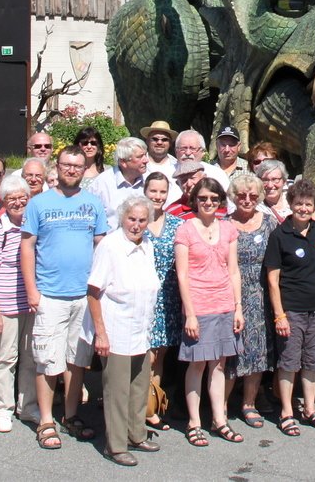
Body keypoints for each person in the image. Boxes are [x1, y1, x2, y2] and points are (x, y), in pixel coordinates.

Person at [21, 145, 109, 449]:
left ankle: (71, 415)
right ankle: (46, 420)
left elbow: (101, 247)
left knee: (76, 361)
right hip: (50, 295)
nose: (71, 170)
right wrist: (32, 290)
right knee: (47, 359)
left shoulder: (93, 203)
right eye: (66, 165)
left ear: (85, 170)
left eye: (77, 166)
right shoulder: (39, 204)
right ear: (56, 168)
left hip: (83, 297)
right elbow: (27, 247)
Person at [85, 196, 163, 466]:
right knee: (117, 392)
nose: (137, 224)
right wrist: (101, 333)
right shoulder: (110, 246)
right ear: (122, 218)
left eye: (142, 220)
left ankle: (136, 435)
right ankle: (115, 445)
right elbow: (93, 292)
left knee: (139, 387)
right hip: (116, 330)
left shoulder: (147, 245)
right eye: (132, 219)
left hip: (141, 330)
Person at [264, 179, 315, 436]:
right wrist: (279, 316)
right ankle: (286, 411)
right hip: (292, 309)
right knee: (289, 361)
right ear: (291, 204)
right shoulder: (279, 235)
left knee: (313, 360)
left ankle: (309, 408)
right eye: (299, 204)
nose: (304, 209)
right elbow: (273, 280)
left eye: (308, 204)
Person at [175, 177, 244, 447]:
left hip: (225, 303)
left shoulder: (228, 229)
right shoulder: (186, 230)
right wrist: (190, 313)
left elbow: (234, 270)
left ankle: (219, 419)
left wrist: (238, 308)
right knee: (198, 364)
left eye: (214, 199)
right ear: (195, 200)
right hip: (199, 305)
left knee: (219, 364)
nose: (208, 203)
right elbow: (182, 275)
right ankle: (194, 422)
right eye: (203, 198)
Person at [0, 177, 38, 432]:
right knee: (5, 358)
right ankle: (2, 409)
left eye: (22, 197)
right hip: (5, 306)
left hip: (30, 304)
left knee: (30, 358)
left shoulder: (33, 226)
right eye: (11, 199)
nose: (17, 202)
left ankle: (27, 406)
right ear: (3, 202)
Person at [224, 170, 275, 429]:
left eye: (253, 195)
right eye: (241, 195)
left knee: (257, 351)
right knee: (229, 353)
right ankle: (220, 406)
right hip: (229, 294)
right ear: (233, 196)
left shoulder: (268, 222)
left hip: (261, 294)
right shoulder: (223, 223)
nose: (247, 199)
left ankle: (249, 403)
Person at [143, 171, 183, 431]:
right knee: (145, 355)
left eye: (162, 192)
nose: (157, 196)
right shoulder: (136, 221)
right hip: (143, 297)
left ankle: (152, 405)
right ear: (144, 192)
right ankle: (140, 407)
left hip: (169, 297)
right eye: (153, 191)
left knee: (161, 354)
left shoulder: (178, 224)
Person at [90, 136, 149, 216]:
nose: (146, 160)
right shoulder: (102, 184)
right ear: (123, 162)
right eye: (140, 157)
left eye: (145, 155)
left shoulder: (149, 180)